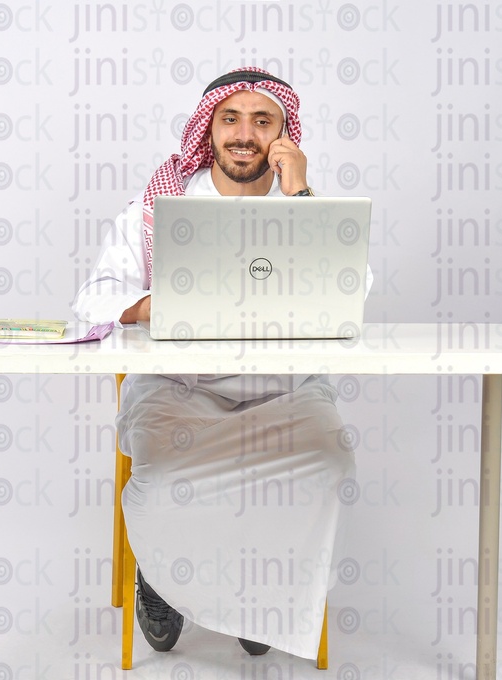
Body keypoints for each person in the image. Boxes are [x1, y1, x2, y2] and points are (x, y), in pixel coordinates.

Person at [72, 67, 365, 661]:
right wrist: (155, 304)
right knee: (162, 462)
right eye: (230, 119)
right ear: (210, 129)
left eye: (263, 121)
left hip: (285, 390)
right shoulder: (164, 204)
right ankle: (159, 575)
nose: (244, 134)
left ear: (285, 135)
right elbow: (93, 296)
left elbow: (349, 293)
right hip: (181, 388)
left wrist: (300, 193)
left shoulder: (303, 207)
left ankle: (266, 596)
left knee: (327, 453)